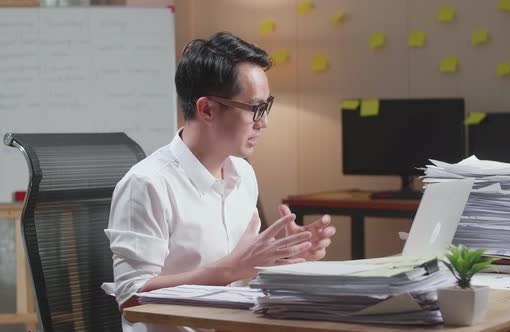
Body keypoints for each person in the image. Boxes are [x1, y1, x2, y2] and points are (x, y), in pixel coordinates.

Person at [104, 31, 336, 332]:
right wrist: (228, 269)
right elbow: (131, 298)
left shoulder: (243, 174)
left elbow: (244, 271)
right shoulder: (147, 184)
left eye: (266, 106)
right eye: (255, 108)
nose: (263, 122)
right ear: (207, 109)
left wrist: (285, 255)